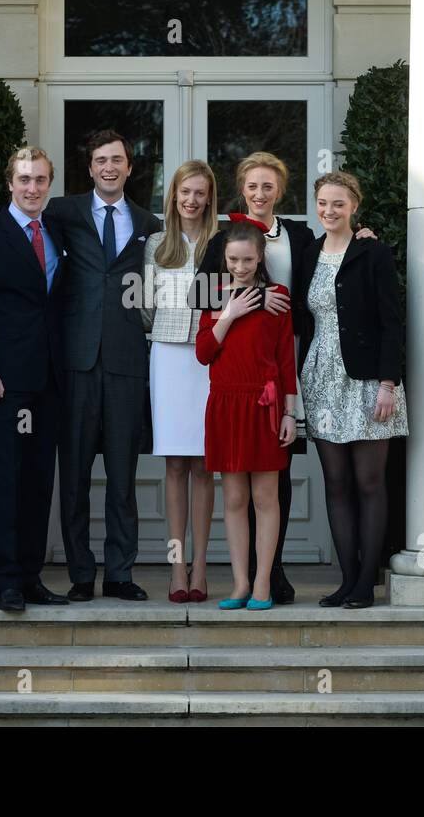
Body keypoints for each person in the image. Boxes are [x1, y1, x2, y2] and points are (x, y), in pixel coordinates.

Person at [0, 130, 161, 601]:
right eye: (100, 160)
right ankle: (77, 574)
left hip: (123, 361)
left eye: (117, 159)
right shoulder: (60, 213)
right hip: (67, 365)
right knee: (67, 475)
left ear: (129, 168)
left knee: (119, 475)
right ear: (88, 169)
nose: (108, 167)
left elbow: (190, 249)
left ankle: (119, 572)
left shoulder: (149, 225)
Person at [187, 151, 375, 604]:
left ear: (280, 191)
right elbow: (199, 293)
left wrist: (362, 238)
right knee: (238, 482)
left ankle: (272, 571)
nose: (259, 193)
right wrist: (253, 294)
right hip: (237, 350)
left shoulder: (299, 233)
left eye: (268, 186)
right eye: (252, 185)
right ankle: (245, 575)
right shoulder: (226, 236)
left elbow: (333, 260)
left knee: (276, 474)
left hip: (288, 353)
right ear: (242, 188)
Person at [0, 147, 71, 612]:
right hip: (3, 381)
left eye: (41, 180)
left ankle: (30, 575)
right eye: (24, 179)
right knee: (4, 477)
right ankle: (4, 577)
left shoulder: (57, 229)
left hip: (49, 379)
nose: (32, 188)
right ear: (10, 183)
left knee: (40, 478)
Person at [295, 171, 408, 608]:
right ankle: (346, 580)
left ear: (354, 206)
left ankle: (366, 582)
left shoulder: (373, 252)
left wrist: (387, 383)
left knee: (369, 482)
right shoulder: (308, 254)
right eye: (323, 202)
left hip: (367, 382)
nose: (329, 210)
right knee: (336, 483)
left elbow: (391, 321)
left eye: (338, 203)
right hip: (321, 379)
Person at [195, 218, 299, 611]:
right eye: (233, 259)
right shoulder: (213, 295)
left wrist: (290, 413)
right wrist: (229, 312)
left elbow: (285, 361)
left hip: (265, 406)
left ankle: (261, 585)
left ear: (260, 258)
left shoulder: (277, 297)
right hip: (225, 404)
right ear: (223, 257)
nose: (240, 266)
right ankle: (239, 584)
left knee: (265, 497)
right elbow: (204, 352)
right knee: (234, 498)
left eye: (248, 260)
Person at [141, 160, 219, 603]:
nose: (191, 200)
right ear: (173, 195)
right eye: (184, 192)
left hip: (210, 357)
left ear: (210, 198)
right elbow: (146, 307)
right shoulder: (156, 244)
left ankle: (201, 567)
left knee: (206, 464)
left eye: (199, 193)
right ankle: (176, 567)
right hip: (168, 356)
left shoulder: (220, 241)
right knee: (174, 464)